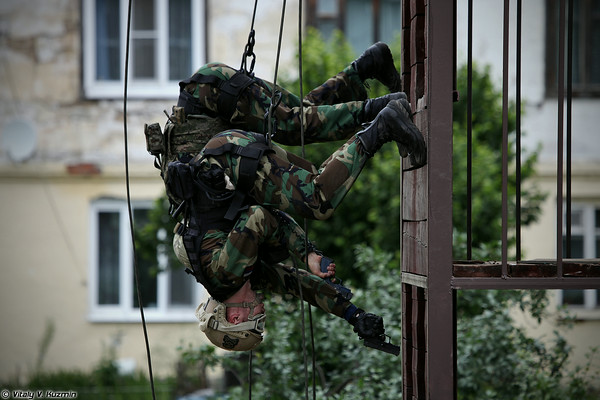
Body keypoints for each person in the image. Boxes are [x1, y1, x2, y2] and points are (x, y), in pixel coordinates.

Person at [169, 95, 426, 352]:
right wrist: (353, 315)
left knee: (317, 200)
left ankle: (383, 125)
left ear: (235, 317)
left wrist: (307, 253)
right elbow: (298, 285)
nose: (263, 312)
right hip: (230, 157)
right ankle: (385, 115)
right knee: (324, 178)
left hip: (230, 159)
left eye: (256, 320)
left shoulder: (226, 275)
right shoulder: (242, 279)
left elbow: (261, 218)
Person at [177, 42, 408, 146]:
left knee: (288, 127)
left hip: (213, 92)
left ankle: (382, 108)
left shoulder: (183, 171)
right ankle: (367, 64)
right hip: (213, 82)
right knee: (302, 111)